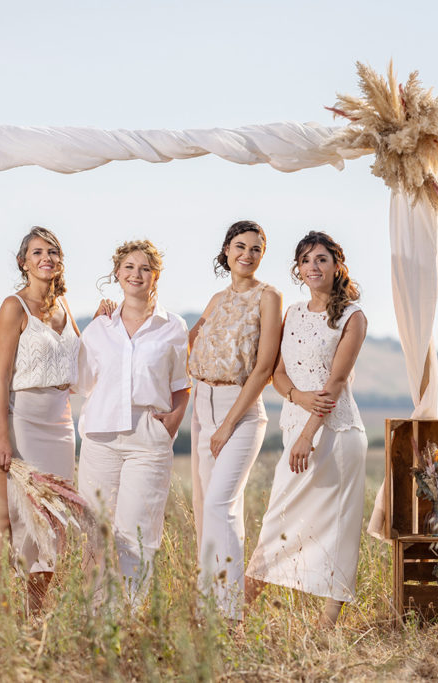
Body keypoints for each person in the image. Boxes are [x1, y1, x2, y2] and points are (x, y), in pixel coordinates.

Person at [245, 230, 368, 626]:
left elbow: (334, 384)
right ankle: (235, 613)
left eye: (321, 259)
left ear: (337, 266)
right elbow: (278, 375)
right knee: (277, 519)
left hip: (336, 434)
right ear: (298, 270)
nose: (313, 267)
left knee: (339, 525)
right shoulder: (293, 313)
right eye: (305, 261)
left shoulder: (354, 317)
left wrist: (307, 436)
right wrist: (297, 399)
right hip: (297, 427)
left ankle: (327, 624)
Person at [76, 239, 191, 607]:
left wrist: (168, 426)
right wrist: (91, 327)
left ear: (155, 276)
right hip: (101, 439)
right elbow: (81, 384)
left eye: (144, 268)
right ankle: (95, 619)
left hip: (148, 438)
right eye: (129, 267)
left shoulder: (173, 327)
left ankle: (130, 618)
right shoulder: (98, 329)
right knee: (95, 531)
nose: (136, 274)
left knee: (137, 534)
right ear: (117, 274)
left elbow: (181, 386)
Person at [0, 226, 81, 613]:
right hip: (23, 422)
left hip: (62, 424)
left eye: (52, 252)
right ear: (23, 262)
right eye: (37, 252)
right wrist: (2, 437)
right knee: (10, 516)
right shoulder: (13, 307)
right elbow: (1, 377)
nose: (46, 258)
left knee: (53, 518)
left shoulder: (65, 306)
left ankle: (36, 608)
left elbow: (82, 358)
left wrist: (104, 320)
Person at [188, 220, 282, 620]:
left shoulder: (268, 297)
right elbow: (188, 342)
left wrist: (226, 425)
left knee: (219, 505)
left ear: (262, 255)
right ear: (226, 250)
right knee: (216, 511)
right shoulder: (215, 299)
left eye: (256, 248)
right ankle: (211, 603)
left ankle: (228, 614)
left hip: (239, 412)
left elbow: (263, 369)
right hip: (202, 406)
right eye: (240, 246)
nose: (247, 254)